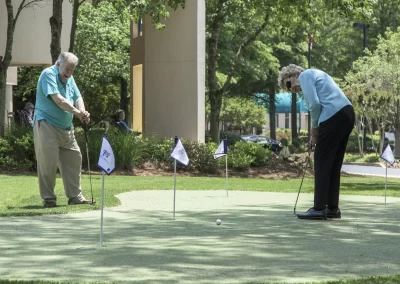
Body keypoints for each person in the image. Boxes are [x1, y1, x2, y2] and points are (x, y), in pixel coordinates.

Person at [278, 64, 355, 220]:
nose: (291, 89)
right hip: (347, 114)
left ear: (292, 75)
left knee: (320, 160)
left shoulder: (304, 75)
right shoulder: (317, 74)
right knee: (333, 163)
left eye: (288, 84)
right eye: (288, 89)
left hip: (333, 115)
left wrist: (315, 131)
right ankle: (332, 208)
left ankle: (319, 208)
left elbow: (314, 105)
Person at [33, 52, 95, 208]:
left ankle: (75, 196)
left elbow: (77, 97)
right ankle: (49, 198)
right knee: (48, 162)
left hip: (66, 128)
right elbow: (59, 100)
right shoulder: (48, 74)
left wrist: (83, 111)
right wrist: (77, 113)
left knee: (74, 157)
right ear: (58, 64)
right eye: (68, 69)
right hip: (46, 123)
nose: (69, 73)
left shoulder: (69, 78)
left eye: (72, 70)